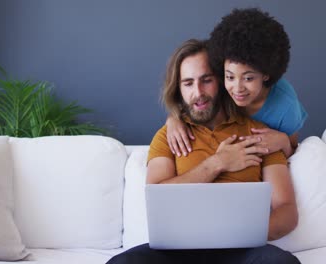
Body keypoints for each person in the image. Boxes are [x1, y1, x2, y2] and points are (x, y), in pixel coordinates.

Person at [106, 39, 300, 264]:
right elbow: (158, 195)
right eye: (188, 83)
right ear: (178, 89)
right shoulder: (168, 136)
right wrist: (217, 163)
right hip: (177, 251)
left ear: (221, 80)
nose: (198, 92)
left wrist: (240, 234)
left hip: (241, 250)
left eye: (206, 80)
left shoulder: (258, 133)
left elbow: (286, 211)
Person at [166, 8, 308, 159]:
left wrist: (283, 141)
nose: (238, 89)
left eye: (248, 78)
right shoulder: (221, 86)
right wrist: (173, 120)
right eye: (230, 77)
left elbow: (292, 150)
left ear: (266, 74)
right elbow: (195, 104)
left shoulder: (287, 106)